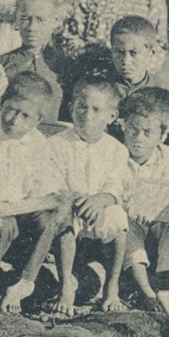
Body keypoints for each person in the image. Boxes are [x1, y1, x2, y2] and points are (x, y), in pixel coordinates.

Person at [0, 73, 68, 312]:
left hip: (22, 208)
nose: (14, 119)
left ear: (38, 119)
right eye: (10, 109)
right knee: (5, 225)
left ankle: (22, 283)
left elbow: (43, 187)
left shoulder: (39, 144)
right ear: (1, 105)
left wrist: (24, 205)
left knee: (46, 222)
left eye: (25, 115)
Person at [33, 79, 130, 315]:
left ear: (111, 116)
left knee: (117, 218)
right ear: (71, 108)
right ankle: (66, 286)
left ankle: (111, 287)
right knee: (62, 219)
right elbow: (51, 180)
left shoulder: (117, 149)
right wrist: (75, 200)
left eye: (96, 110)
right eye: (81, 107)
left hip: (99, 208)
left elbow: (116, 185)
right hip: (70, 206)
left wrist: (101, 200)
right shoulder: (56, 144)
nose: (87, 115)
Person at [117, 87, 169, 299]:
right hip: (129, 217)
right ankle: (143, 286)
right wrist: (136, 209)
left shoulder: (167, 156)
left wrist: (155, 210)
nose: (138, 138)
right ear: (123, 125)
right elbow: (115, 194)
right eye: (132, 129)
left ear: (163, 135)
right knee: (130, 228)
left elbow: (167, 192)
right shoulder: (116, 155)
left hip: (156, 216)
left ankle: (168, 275)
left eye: (147, 133)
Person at [0, 0, 71, 121]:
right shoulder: (0, 65)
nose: (32, 28)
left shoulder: (67, 66)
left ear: (55, 21)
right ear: (16, 19)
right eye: (26, 19)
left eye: (40, 20)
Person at [95, 15, 169, 109]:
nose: (126, 61)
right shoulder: (98, 88)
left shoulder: (163, 91)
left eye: (133, 53)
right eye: (119, 52)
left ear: (151, 53)